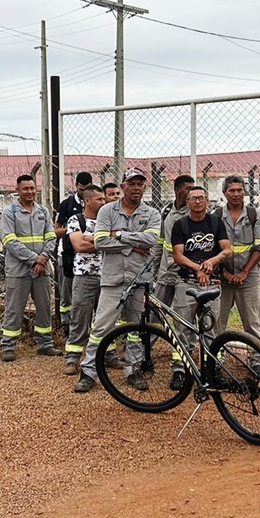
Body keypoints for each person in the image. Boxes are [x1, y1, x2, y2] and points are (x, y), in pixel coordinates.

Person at [76, 168, 161, 392]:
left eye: (140, 184)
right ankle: (88, 372)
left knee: (135, 330)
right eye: (131, 183)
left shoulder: (151, 213)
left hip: (139, 278)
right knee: (102, 327)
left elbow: (151, 239)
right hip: (113, 279)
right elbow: (101, 242)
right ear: (123, 186)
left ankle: (133, 371)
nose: (136, 188)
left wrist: (120, 235)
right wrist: (133, 244)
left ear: (144, 187)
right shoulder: (107, 210)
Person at [170, 185, 233, 391]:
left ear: (207, 201)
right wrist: (198, 268)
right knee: (182, 328)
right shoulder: (180, 225)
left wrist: (212, 262)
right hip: (186, 282)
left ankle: (212, 369)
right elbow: (178, 255)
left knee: (210, 328)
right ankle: (180, 370)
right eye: (193, 198)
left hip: (212, 283)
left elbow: (227, 249)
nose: (197, 202)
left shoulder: (216, 223)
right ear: (187, 202)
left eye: (201, 198)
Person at [0, 174, 60, 362]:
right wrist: (35, 259)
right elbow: (10, 240)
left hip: (42, 269)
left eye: (32, 188)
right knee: (14, 309)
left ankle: (45, 344)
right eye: (25, 188)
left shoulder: (43, 211)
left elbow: (51, 237)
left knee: (43, 307)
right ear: (17, 190)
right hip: (18, 270)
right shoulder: (10, 212)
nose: (30, 192)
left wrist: (43, 259)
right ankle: (8, 346)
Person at [216, 176, 260, 380]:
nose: (236, 194)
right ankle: (217, 359)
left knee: (252, 322)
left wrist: (244, 272)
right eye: (231, 190)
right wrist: (225, 273)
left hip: (248, 277)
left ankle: (256, 360)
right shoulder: (217, 216)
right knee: (218, 322)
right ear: (224, 193)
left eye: (239, 190)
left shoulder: (255, 215)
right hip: (222, 278)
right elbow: (212, 247)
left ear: (245, 192)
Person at [153, 174, 195, 377]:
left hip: (183, 275)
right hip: (164, 272)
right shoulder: (166, 210)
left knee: (183, 317)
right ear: (178, 190)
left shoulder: (194, 213)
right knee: (155, 312)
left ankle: (183, 360)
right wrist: (153, 269)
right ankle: (146, 350)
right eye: (188, 188)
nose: (192, 192)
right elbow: (160, 243)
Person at [65, 184, 106, 384]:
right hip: (84, 276)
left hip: (107, 276)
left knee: (105, 319)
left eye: (104, 199)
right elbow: (79, 246)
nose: (103, 202)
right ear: (87, 200)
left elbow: (117, 242)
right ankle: (72, 358)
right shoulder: (76, 220)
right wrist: (104, 242)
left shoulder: (108, 219)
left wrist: (93, 240)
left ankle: (108, 355)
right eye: (99, 199)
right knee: (80, 315)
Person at [56, 172, 93, 334]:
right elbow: (56, 230)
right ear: (76, 186)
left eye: (86, 189)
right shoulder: (67, 204)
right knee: (67, 294)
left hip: (91, 258)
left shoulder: (98, 204)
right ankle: (67, 327)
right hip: (68, 254)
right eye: (81, 189)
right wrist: (74, 231)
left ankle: (88, 328)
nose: (83, 192)